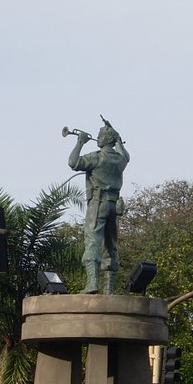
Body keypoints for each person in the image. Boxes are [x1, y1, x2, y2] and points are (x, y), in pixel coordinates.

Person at [67, 117, 129, 294]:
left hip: (98, 203)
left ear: (107, 140)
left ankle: (92, 283)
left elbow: (73, 162)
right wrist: (117, 137)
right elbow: (126, 155)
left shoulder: (97, 157)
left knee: (93, 241)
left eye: (101, 135)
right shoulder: (120, 160)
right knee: (111, 244)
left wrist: (80, 142)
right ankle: (108, 288)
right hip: (114, 205)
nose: (98, 137)